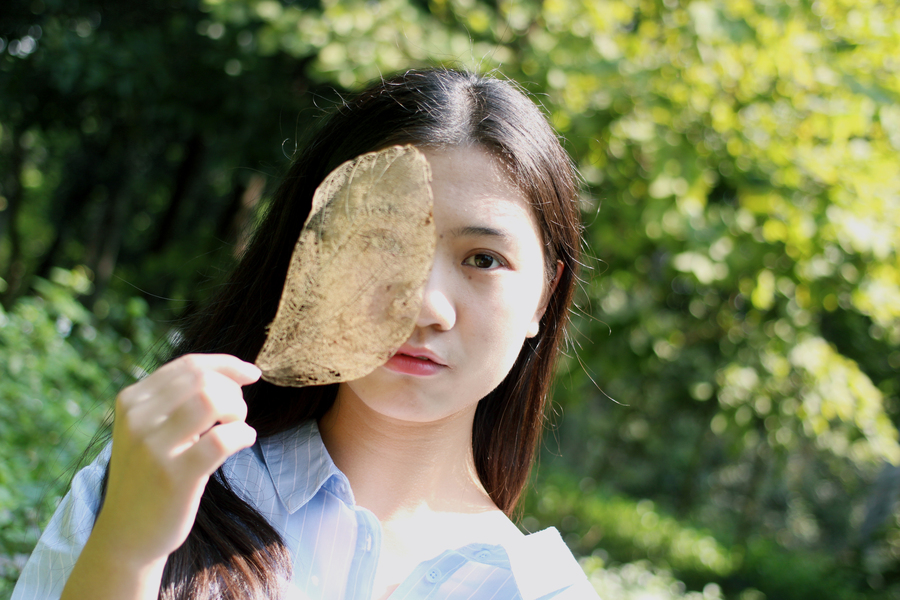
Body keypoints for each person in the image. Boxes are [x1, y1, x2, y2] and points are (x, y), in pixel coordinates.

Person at [12, 68, 599, 600]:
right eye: (379, 243)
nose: (423, 305)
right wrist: (128, 550)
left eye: (484, 260)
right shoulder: (166, 477)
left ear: (543, 297)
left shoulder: (544, 590)